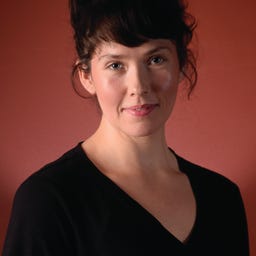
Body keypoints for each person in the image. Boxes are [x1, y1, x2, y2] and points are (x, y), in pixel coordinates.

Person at [3, 0, 249, 255]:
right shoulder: (48, 201)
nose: (139, 86)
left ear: (181, 66)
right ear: (86, 76)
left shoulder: (223, 198)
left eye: (155, 59)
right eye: (116, 65)